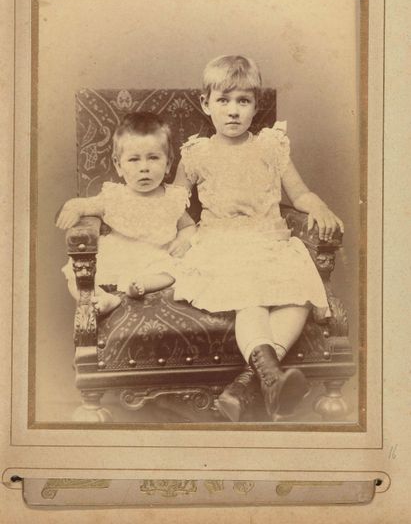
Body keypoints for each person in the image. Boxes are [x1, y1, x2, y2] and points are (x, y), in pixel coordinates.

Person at [173, 55, 344, 422]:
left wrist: (319, 205)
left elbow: (300, 194)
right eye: (223, 100)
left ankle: (250, 384)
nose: (233, 110)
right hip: (222, 244)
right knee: (250, 297)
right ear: (206, 104)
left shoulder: (271, 146)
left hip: (270, 241)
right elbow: (173, 202)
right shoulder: (197, 154)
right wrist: (186, 229)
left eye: (243, 100)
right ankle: (263, 380)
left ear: (256, 105)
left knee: (300, 294)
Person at [57, 111, 195, 315]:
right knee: (76, 277)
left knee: (174, 271)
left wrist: (184, 240)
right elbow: (87, 205)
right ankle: (103, 298)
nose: (144, 168)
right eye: (134, 160)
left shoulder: (172, 198)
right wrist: (73, 207)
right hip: (119, 256)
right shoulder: (114, 196)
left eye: (153, 158)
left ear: (168, 163)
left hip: (156, 257)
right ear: (118, 165)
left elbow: (188, 225)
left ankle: (142, 285)